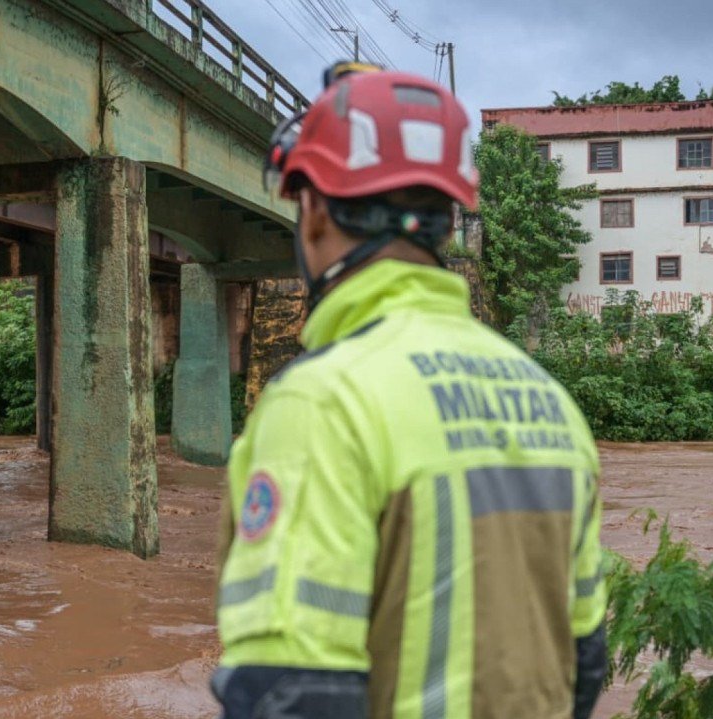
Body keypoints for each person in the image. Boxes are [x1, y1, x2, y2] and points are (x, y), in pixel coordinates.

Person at [212, 62, 607, 719]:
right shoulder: (552, 403)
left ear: (312, 211)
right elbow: (585, 664)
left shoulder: (322, 403)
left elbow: (287, 693)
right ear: (448, 224)